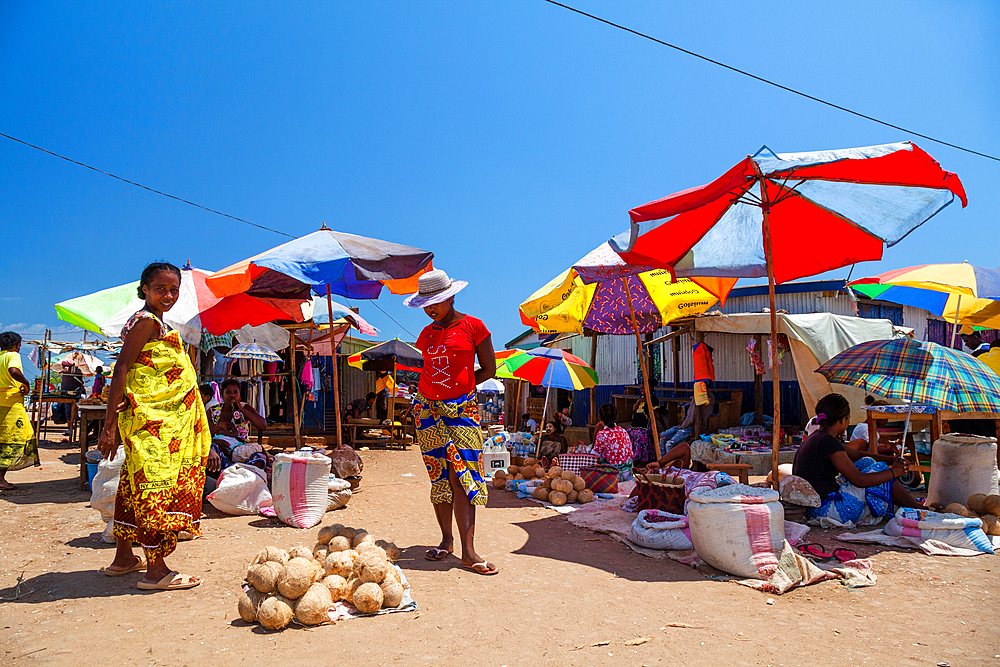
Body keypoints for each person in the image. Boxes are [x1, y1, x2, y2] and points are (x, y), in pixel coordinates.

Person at [97, 262, 211, 590]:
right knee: (154, 489)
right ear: (145, 288)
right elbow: (122, 368)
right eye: (160, 288)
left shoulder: (154, 322)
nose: (168, 295)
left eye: (174, 290)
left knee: (134, 485)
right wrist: (108, 424)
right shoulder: (146, 322)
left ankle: (124, 558)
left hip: (153, 422)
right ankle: (156, 570)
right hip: (153, 425)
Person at [404, 269, 498, 575]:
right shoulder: (426, 335)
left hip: (462, 413)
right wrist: (426, 400)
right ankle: (447, 541)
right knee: (439, 475)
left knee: (464, 477)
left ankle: (469, 551)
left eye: (437, 301)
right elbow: (427, 371)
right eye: (426, 304)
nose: (431, 308)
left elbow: (488, 369)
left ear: (452, 296)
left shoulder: (474, 326)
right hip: (428, 413)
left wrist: (461, 392)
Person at [793, 393, 923, 525]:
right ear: (842, 420)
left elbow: (858, 455)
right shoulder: (827, 441)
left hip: (813, 509)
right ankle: (920, 509)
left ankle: (915, 507)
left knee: (868, 462)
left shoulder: (818, 437)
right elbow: (859, 480)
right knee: (882, 470)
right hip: (828, 510)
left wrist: (892, 460)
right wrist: (893, 472)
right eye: (849, 419)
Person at [0, 332, 40, 490]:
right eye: (19, 344)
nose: (20, 346)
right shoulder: (12, 356)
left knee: (2, 438)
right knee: (16, 438)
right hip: (12, 404)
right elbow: (14, 371)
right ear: (16, 345)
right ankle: (1, 478)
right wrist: (26, 382)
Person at [207, 378, 268, 469]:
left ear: (239, 394)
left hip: (241, 449)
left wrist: (242, 409)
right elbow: (205, 433)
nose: (232, 395)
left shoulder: (245, 407)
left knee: (259, 458)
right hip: (221, 449)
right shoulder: (213, 410)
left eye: (235, 392)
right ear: (222, 393)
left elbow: (263, 426)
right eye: (228, 392)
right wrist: (217, 441)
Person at [593, 403, 634, 481]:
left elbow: (594, 456)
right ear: (617, 416)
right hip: (628, 473)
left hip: (612, 475)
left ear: (599, 418)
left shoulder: (602, 434)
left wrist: (596, 432)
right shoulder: (623, 431)